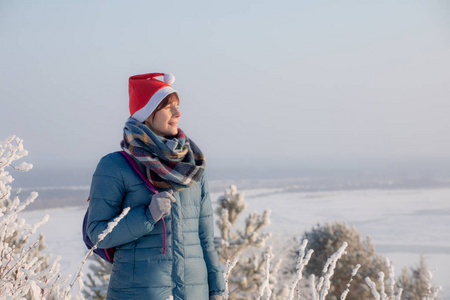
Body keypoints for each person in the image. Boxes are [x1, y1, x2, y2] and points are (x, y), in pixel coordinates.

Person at [87, 73, 225, 300]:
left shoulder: (192, 167)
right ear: (147, 113)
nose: (177, 114)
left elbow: (205, 238)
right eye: (168, 107)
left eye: (178, 106)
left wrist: (217, 290)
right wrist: (147, 216)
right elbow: (98, 235)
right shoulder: (115, 166)